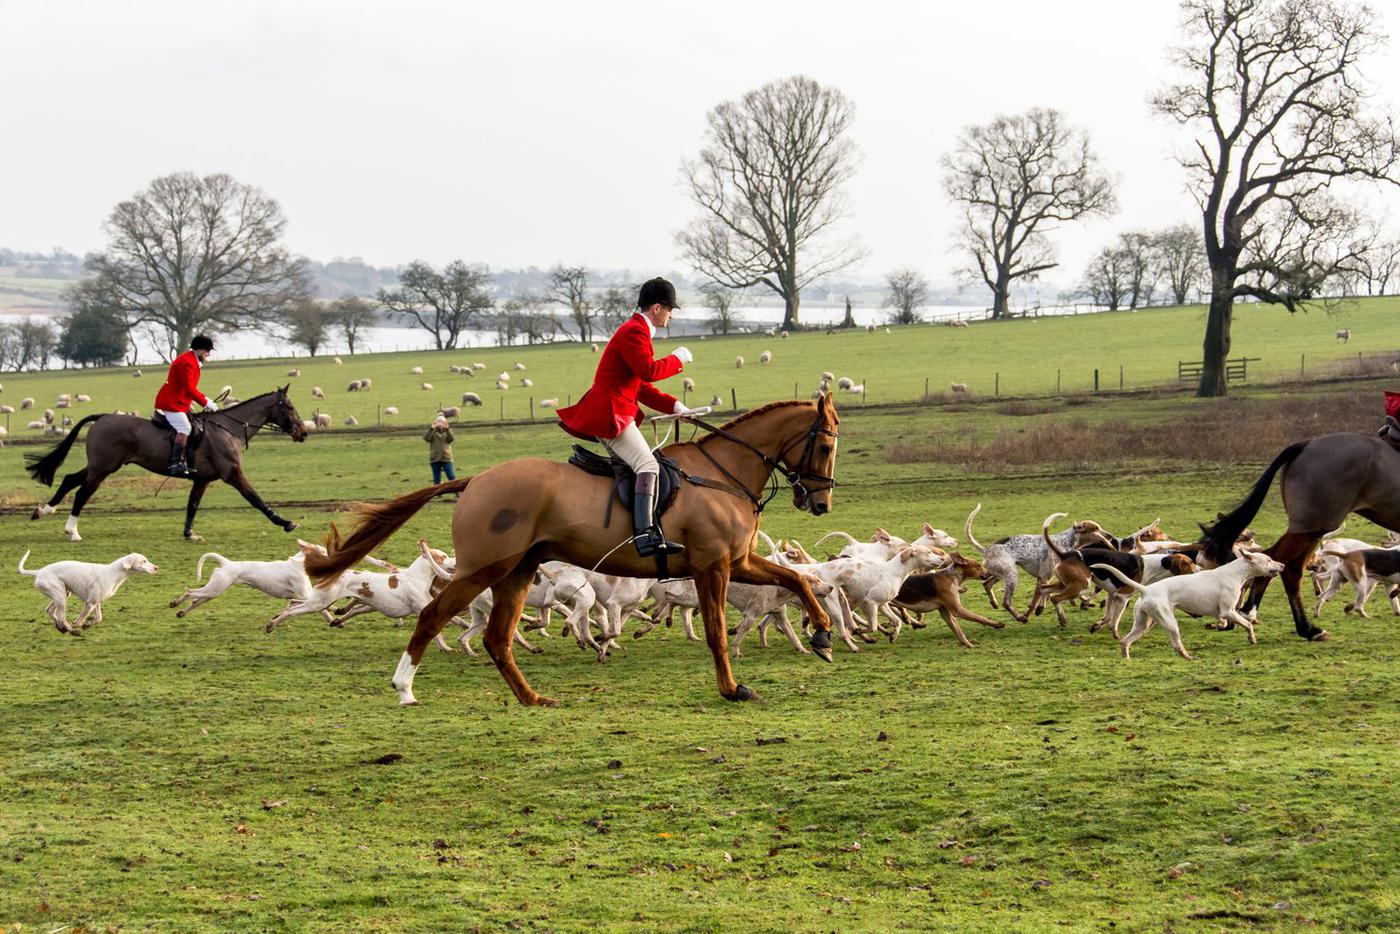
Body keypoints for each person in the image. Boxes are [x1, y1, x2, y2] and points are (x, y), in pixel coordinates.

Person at [557, 276, 693, 558]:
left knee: (636, 466)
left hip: (614, 410)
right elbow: (649, 371)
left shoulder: (637, 331)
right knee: (648, 466)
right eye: (670, 309)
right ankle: (645, 536)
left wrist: (676, 405)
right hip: (610, 414)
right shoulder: (635, 331)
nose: (671, 315)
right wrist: (678, 359)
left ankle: (621, 528)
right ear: (656, 308)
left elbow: (640, 387)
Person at [154, 334, 218, 477]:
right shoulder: (187, 362)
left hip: (180, 400)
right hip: (171, 402)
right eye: (208, 351)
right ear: (200, 350)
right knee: (185, 427)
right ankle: (176, 464)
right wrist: (206, 402)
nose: (209, 354)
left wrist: (199, 400)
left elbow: (186, 388)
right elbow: (189, 388)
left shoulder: (192, 360)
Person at [424, 415, 457, 483]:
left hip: (446, 458)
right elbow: (427, 439)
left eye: (442, 422)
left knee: (451, 477)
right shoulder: (433, 432)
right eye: (439, 422)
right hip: (435, 459)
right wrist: (431, 429)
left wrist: (448, 429)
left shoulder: (447, 432)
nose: (440, 424)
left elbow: (451, 439)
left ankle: (458, 492)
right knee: (437, 479)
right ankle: (437, 493)